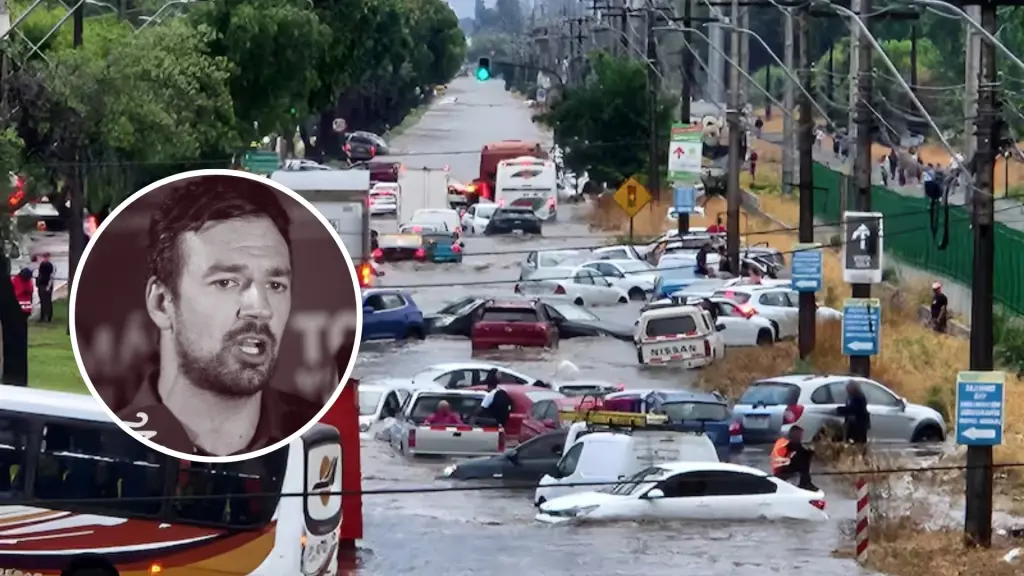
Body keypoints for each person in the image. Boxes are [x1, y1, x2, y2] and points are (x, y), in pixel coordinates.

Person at [117, 175, 320, 457]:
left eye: (275, 285)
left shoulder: (315, 434)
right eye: (226, 282)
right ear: (162, 303)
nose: (260, 308)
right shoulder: (109, 439)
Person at [770, 426, 818, 491]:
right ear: (794, 434)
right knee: (802, 458)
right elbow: (796, 451)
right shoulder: (788, 443)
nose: (801, 437)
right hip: (781, 470)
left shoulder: (783, 440)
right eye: (800, 435)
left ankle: (806, 482)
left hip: (781, 467)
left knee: (803, 456)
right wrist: (810, 452)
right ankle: (805, 483)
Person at [835, 381, 871, 445]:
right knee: (850, 440)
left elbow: (854, 409)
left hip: (859, 423)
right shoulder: (850, 397)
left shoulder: (859, 397)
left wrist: (840, 410)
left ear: (853, 389)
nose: (847, 390)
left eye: (848, 389)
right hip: (852, 423)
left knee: (858, 442)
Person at [36, 253, 54, 323]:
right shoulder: (42, 265)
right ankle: (42, 316)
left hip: (47, 285)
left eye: (47, 257)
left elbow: (51, 277)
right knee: (42, 301)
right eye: (44, 257)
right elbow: (39, 275)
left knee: (48, 301)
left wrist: (48, 286)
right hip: (41, 285)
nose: (45, 259)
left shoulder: (50, 266)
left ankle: (49, 316)